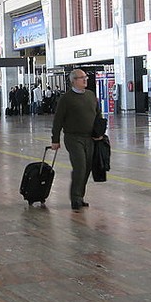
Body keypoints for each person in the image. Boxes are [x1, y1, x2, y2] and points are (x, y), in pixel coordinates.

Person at [51, 69, 104, 211]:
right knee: (80, 166)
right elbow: (58, 120)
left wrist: (100, 133)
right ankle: (75, 198)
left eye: (85, 77)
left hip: (90, 137)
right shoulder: (66, 98)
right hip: (73, 137)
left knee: (87, 168)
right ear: (73, 81)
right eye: (82, 78)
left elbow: (98, 115)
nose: (85, 80)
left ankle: (80, 196)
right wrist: (55, 139)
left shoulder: (91, 95)